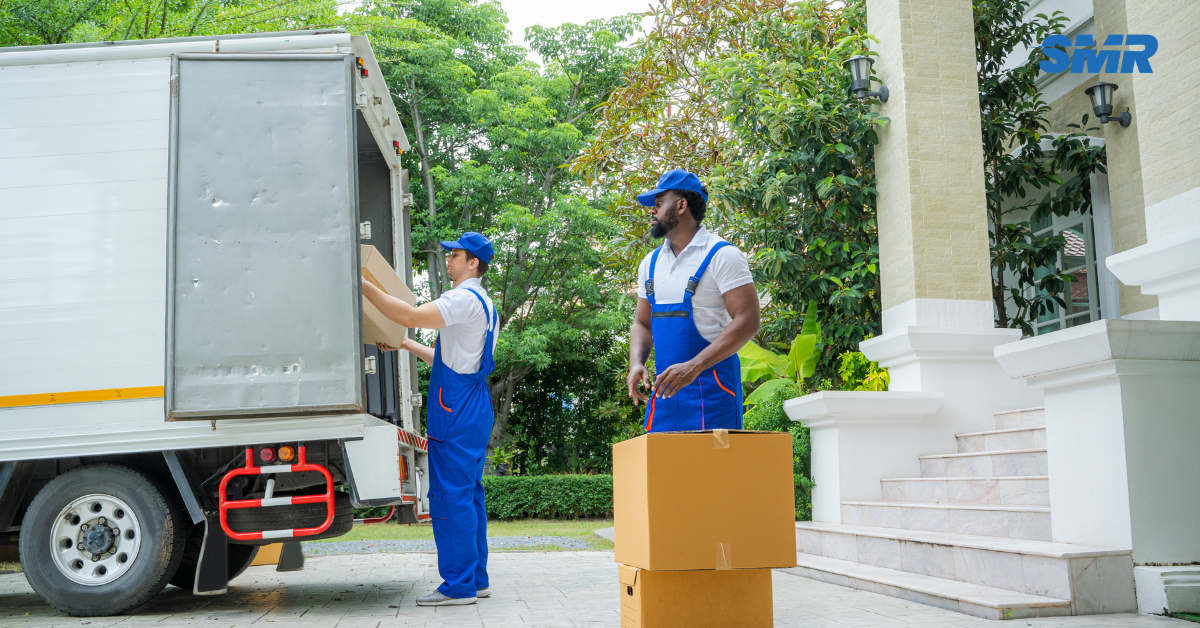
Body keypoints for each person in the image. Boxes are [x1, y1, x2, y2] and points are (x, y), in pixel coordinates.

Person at [361, 232, 498, 607]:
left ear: (473, 263)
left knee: (449, 495)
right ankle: (476, 579)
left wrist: (362, 285)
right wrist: (404, 343)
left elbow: (409, 315)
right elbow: (448, 358)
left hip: (455, 408)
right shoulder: (484, 303)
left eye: (455, 255)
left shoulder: (462, 298)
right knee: (468, 494)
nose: (448, 259)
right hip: (472, 404)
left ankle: (458, 586)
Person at [626, 169, 761, 432]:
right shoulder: (650, 263)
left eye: (659, 203)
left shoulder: (722, 255)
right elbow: (642, 323)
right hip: (665, 394)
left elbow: (748, 320)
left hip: (713, 393)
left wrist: (693, 367)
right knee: (662, 460)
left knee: (711, 461)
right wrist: (636, 363)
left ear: (681, 206)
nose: (652, 210)